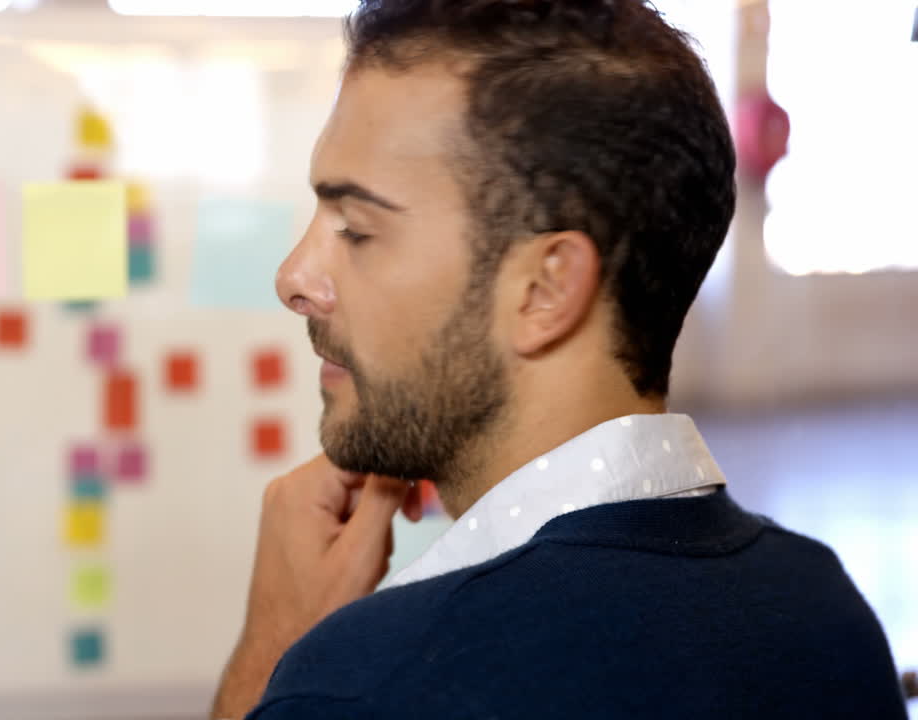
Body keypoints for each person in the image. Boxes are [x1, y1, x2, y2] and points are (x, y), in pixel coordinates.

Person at [210, 1, 910, 718]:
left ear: (545, 289)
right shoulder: (827, 612)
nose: (294, 276)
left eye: (355, 229)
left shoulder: (367, 682)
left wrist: (272, 656)